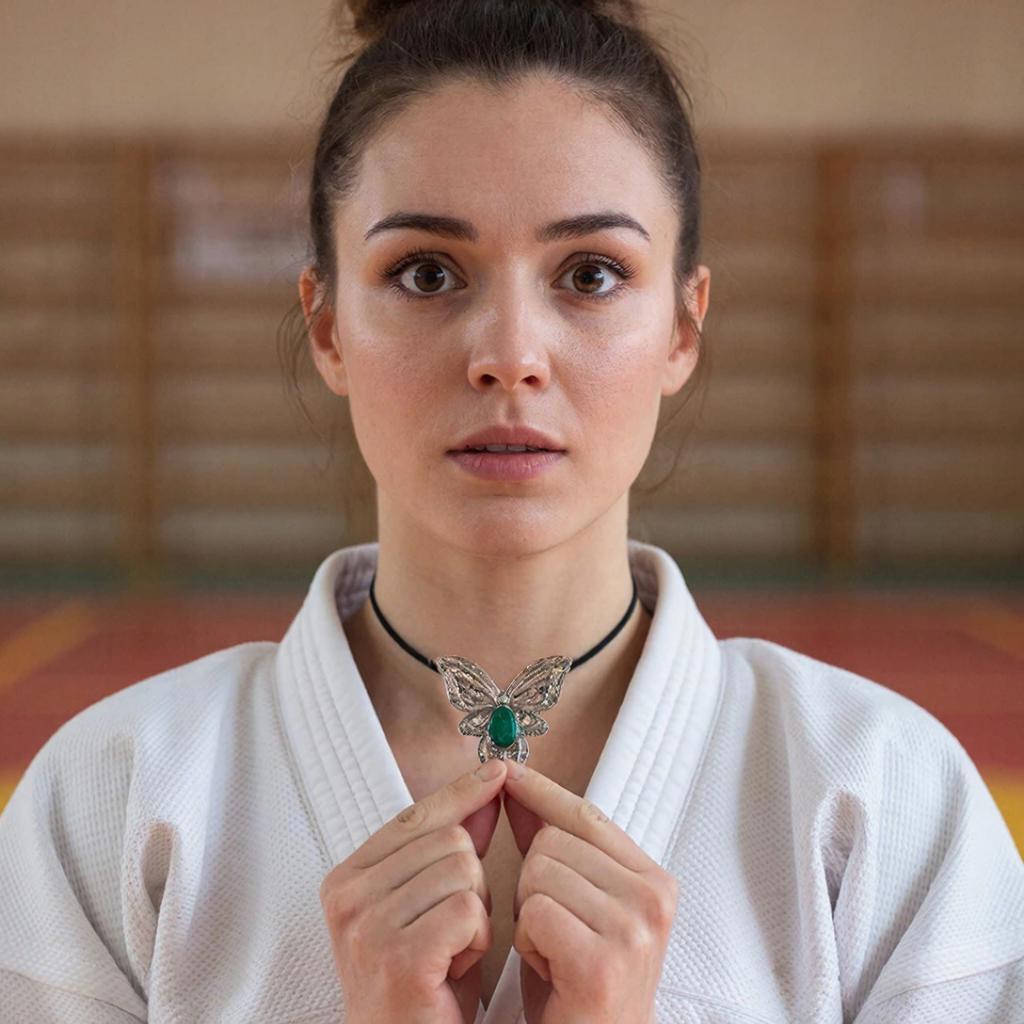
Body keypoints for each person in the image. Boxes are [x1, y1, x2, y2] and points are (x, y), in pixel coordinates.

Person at [2, 0, 1023, 1021]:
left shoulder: (885, 802)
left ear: (682, 325)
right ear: (327, 325)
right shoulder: (111, 804)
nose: (509, 354)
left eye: (590, 274)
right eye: (426, 273)